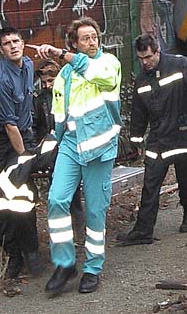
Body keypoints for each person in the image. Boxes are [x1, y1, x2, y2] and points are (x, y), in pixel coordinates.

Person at [33, 17, 121, 295]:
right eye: (85, 38)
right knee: (57, 200)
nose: (92, 42)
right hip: (71, 145)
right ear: (75, 42)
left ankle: (93, 268)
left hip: (98, 149)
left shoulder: (107, 63)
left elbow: (102, 79)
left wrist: (62, 54)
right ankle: (65, 263)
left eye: (94, 36)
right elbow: (60, 115)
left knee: (95, 210)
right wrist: (51, 145)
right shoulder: (64, 75)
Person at [116, 34, 187, 246]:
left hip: (182, 133)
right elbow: (139, 112)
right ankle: (143, 231)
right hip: (159, 138)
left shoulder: (179, 64)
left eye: (148, 57)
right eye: (141, 58)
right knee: (150, 183)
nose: (145, 62)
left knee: (186, 176)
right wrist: (136, 139)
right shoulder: (142, 79)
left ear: (158, 51)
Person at [0, 26, 45, 280]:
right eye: (7, 43)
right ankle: (13, 256)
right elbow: (9, 125)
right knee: (2, 201)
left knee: (24, 195)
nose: (13, 46)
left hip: (20, 137)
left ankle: (32, 252)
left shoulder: (27, 65)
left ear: (23, 42)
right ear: (1, 49)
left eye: (16, 41)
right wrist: (25, 157)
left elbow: (25, 111)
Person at [32, 60, 84, 237]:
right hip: (51, 151)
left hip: (68, 147)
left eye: (50, 81)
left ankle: (78, 229)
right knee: (59, 191)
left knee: (73, 192)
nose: (47, 85)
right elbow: (38, 126)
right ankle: (68, 230)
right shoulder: (40, 101)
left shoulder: (68, 94)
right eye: (44, 82)